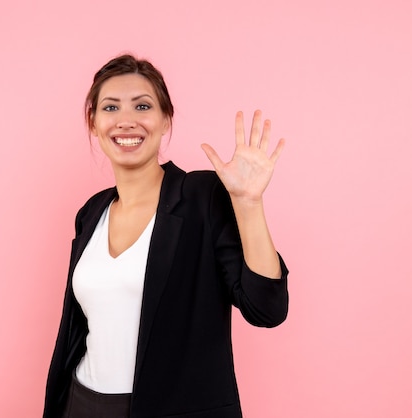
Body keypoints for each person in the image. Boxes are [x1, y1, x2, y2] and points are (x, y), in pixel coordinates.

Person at [43, 54, 289, 418]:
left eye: (142, 106)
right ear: (93, 123)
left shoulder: (201, 197)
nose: (126, 120)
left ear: (165, 120)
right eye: (110, 107)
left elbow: (266, 309)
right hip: (81, 403)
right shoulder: (91, 212)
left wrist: (248, 203)